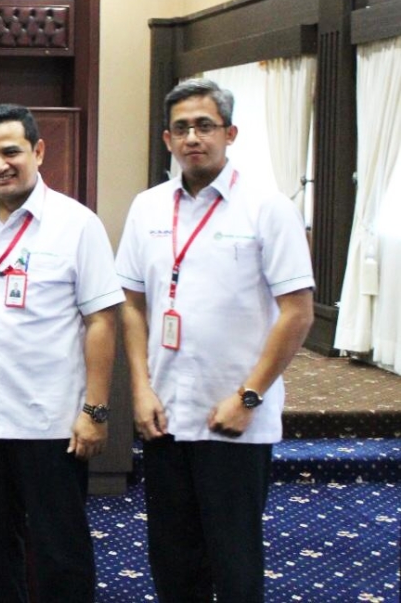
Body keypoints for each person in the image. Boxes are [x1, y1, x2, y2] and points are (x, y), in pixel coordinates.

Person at [115, 78, 315, 602]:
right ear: (167, 139)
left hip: (234, 416)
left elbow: (298, 313)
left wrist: (249, 397)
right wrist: (140, 388)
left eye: (204, 126)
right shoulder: (148, 208)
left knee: (234, 558)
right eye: (181, 128)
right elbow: (131, 304)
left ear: (230, 133)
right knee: (172, 556)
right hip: (164, 412)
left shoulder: (268, 208)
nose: (192, 138)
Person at [0, 104, 124, 603]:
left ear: (38, 151)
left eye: (10, 152)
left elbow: (102, 320)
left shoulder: (76, 224)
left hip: (51, 420)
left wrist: (95, 411)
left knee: (60, 549)